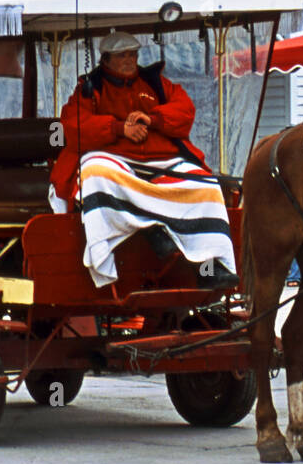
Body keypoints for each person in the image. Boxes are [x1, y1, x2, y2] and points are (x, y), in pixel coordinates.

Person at [49, 30, 236, 289]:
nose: (130, 60)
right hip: (114, 159)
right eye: (122, 55)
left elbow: (185, 110)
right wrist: (118, 128)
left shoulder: (156, 83)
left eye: (133, 54)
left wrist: (154, 118)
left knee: (206, 185)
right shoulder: (90, 88)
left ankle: (211, 265)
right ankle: (110, 253)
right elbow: (73, 126)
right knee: (94, 175)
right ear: (106, 59)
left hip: (162, 160)